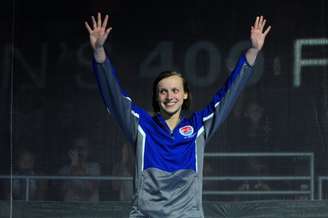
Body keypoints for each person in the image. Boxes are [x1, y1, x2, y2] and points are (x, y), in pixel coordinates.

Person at [85, 12, 271, 218]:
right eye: (163, 91)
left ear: (184, 95)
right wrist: (99, 51)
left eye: (175, 90)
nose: (169, 96)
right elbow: (113, 95)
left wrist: (252, 52)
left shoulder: (199, 126)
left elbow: (229, 94)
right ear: (156, 97)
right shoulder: (141, 126)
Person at [58, 137, 101, 202]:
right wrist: (74, 165)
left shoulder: (94, 167)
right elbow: (61, 194)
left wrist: (75, 166)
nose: (80, 151)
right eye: (77, 148)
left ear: (89, 150)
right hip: (69, 209)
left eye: (83, 148)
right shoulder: (64, 169)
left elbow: (89, 191)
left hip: (89, 209)